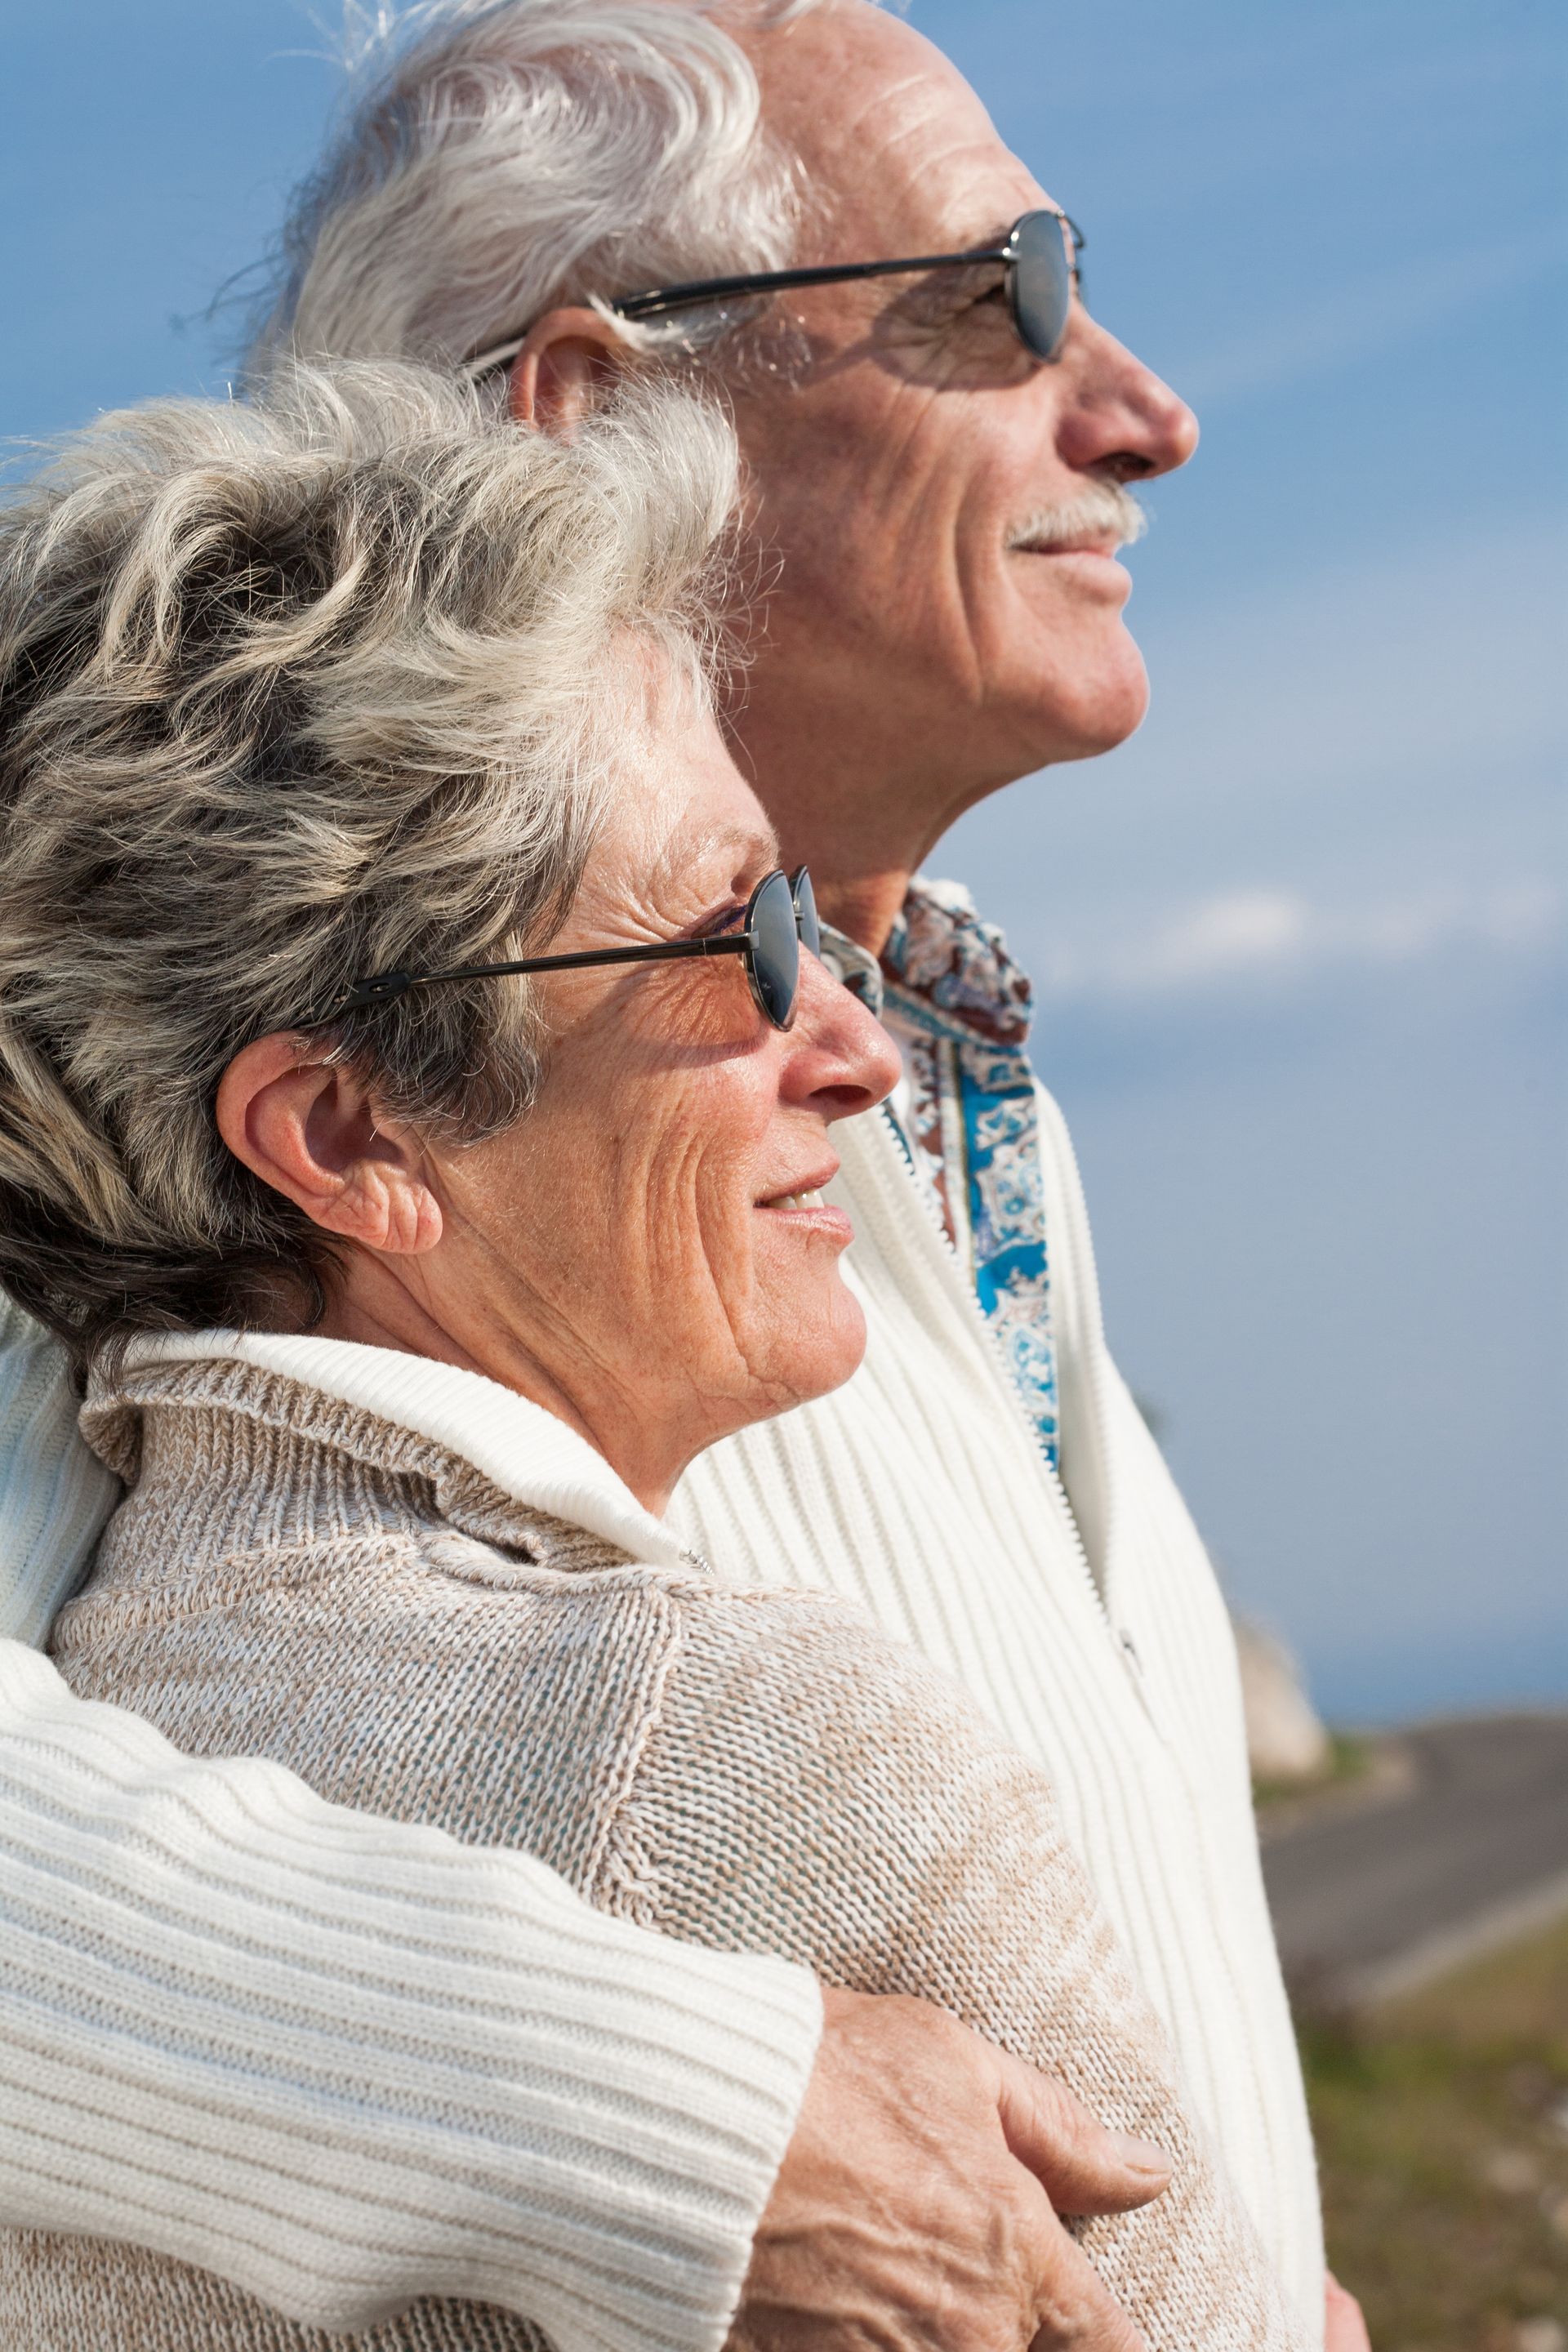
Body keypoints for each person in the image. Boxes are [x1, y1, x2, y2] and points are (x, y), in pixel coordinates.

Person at [0, 4, 1369, 2348]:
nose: (1147, 410)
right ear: (588, 405)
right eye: (1002, 288)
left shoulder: (934, 1064)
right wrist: (685, 2111)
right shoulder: (185, 1146)